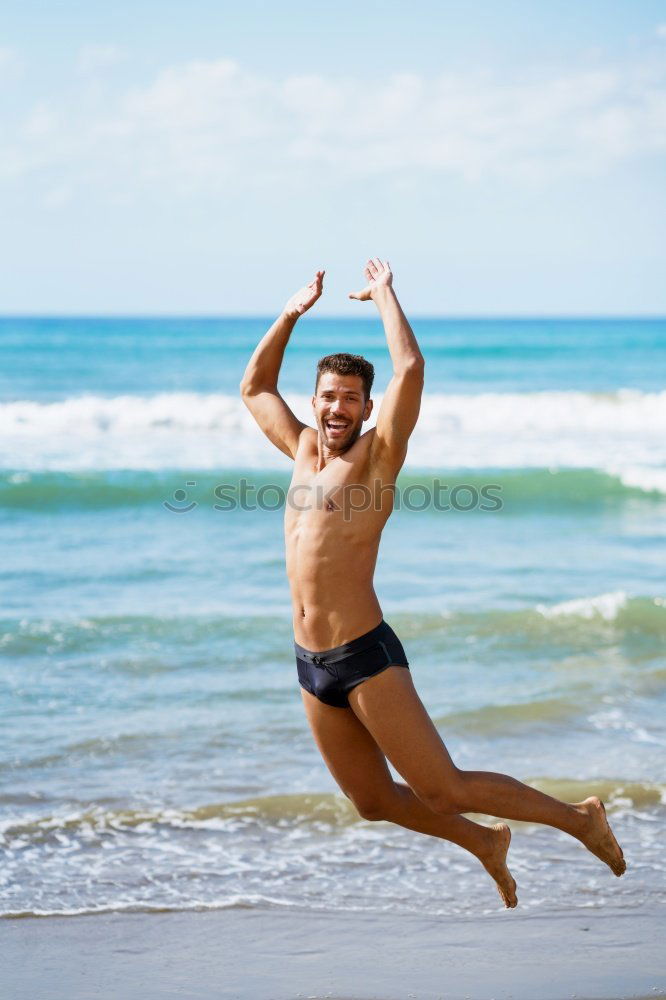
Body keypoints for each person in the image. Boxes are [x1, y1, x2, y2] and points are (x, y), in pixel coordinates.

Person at [239, 258, 626, 908]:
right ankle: (483, 843)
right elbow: (253, 388)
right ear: (315, 402)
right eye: (327, 396)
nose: (337, 407)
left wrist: (386, 294)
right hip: (311, 662)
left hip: (365, 657)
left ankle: (578, 819)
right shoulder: (303, 451)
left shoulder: (376, 460)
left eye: (350, 399)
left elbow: (410, 371)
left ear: (367, 408)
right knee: (370, 801)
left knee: (441, 786)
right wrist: (290, 313)